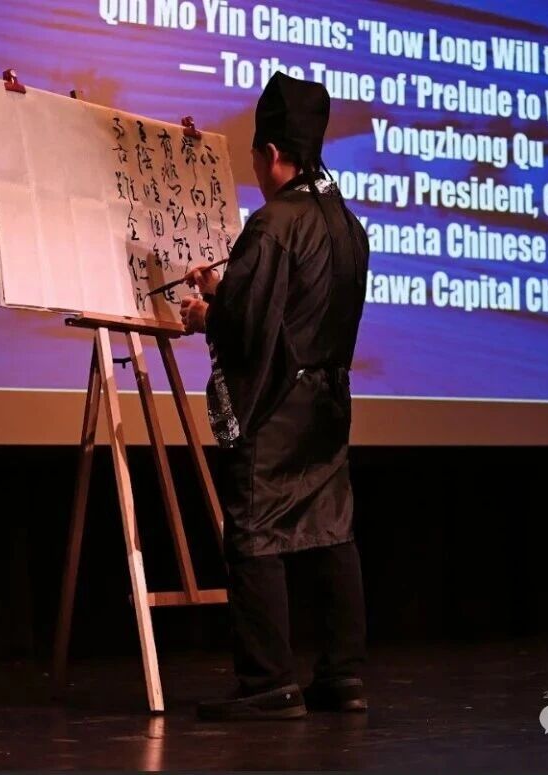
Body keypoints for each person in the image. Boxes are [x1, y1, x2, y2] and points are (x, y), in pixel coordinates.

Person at [179, 72, 370, 721]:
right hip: (328, 402)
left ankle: (269, 681)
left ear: (270, 152)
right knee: (331, 528)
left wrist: (207, 310)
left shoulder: (274, 222)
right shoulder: (347, 224)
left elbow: (249, 324)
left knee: (254, 529)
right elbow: (296, 307)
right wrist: (227, 289)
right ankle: (342, 676)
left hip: (279, 404)